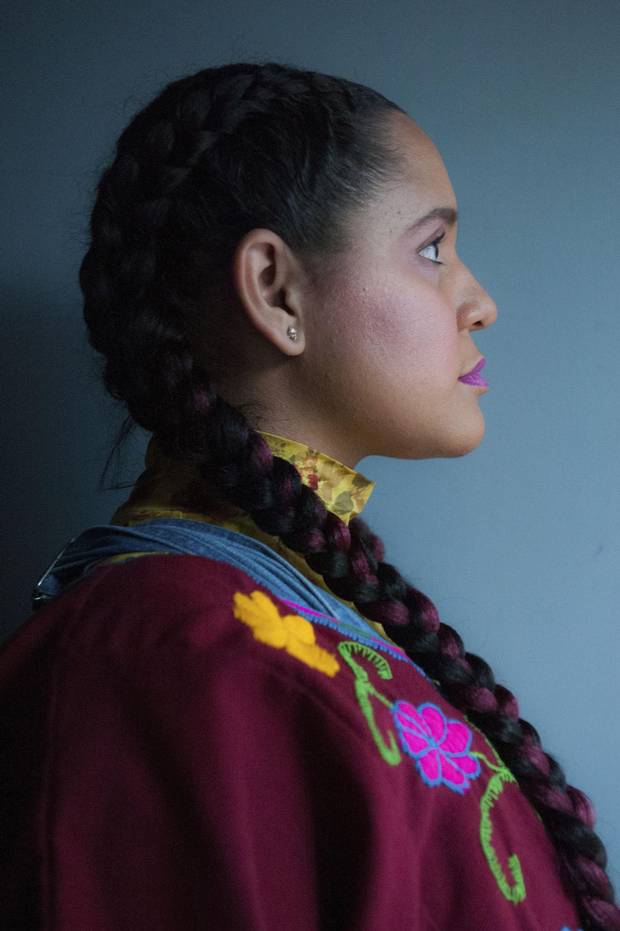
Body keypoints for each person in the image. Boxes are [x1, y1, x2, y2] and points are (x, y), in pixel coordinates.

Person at [1, 60, 617, 931]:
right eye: (432, 249)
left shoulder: (282, 616)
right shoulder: (162, 650)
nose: (480, 302)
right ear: (276, 290)